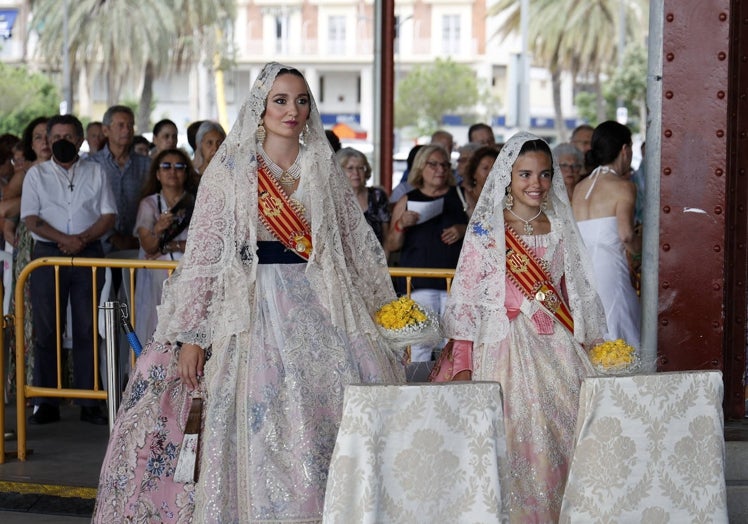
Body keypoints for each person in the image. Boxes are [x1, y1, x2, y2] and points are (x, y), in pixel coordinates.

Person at [94, 62, 404, 523]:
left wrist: (389, 314)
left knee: (325, 429)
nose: (292, 110)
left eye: (301, 100)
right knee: (258, 421)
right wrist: (194, 335)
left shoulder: (323, 165)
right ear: (260, 107)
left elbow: (354, 250)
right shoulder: (233, 168)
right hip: (251, 309)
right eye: (280, 100)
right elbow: (206, 254)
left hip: (319, 309)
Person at [433, 132, 606, 521]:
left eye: (545, 175)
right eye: (525, 174)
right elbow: (468, 298)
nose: (536, 184)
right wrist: (462, 360)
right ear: (507, 177)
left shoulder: (559, 225)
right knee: (514, 435)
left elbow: (570, 290)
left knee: (564, 432)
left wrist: (590, 341)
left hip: (556, 343)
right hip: (503, 343)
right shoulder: (486, 230)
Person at [20, 114, 117, 425]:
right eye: (56, 136)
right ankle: (46, 400)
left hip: (89, 252)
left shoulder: (96, 171)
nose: (63, 141)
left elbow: (108, 215)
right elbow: (31, 218)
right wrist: (64, 239)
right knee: (47, 329)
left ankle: (90, 401)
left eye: (69, 136)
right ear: (49, 141)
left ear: (80, 140)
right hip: (48, 254)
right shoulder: (36, 176)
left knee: (88, 328)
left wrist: (83, 239)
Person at [387, 144, 469, 362]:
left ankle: (450, 391)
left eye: (444, 164)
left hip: (455, 282)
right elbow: (391, 245)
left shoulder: (462, 197)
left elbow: (483, 231)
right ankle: (418, 391)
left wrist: (463, 229)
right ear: (420, 167)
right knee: (419, 345)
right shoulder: (407, 199)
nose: (440, 169)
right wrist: (400, 225)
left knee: (452, 344)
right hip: (418, 283)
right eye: (433, 164)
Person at [572, 120, 641, 349]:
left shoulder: (580, 188)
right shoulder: (623, 186)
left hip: (585, 278)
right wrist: (644, 253)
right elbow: (626, 236)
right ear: (624, 150)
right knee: (621, 335)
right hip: (613, 273)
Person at [133, 148, 197, 344]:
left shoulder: (196, 202)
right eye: (166, 166)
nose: (173, 171)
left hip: (189, 275)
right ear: (158, 174)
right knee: (156, 327)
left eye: (179, 166)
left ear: (186, 173)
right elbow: (149, 247)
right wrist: (158, 229)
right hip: (157, 278)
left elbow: (201, 244)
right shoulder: (149, 204)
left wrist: (171, 246)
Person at [91, 105, 151, 253]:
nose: (127, 130)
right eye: (121, 125)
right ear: (106, 130)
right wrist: (112, 237)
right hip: (101, 246)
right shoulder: (92, 165)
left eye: (130, 125)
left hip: (138, 245)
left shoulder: (146, 164)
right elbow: (88, 206)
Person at [336, 147, 390, 251]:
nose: (356, 173)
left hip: (376, 262)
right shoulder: (332, 199)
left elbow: (386, 238)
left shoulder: (377, 196)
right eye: (350, 168)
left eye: (360, 168)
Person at [463, 145, 499, 217]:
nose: (491, 173)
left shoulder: (505, 200)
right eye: (485, 168)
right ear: (474, 173)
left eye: (495, 168)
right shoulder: (464, 198)